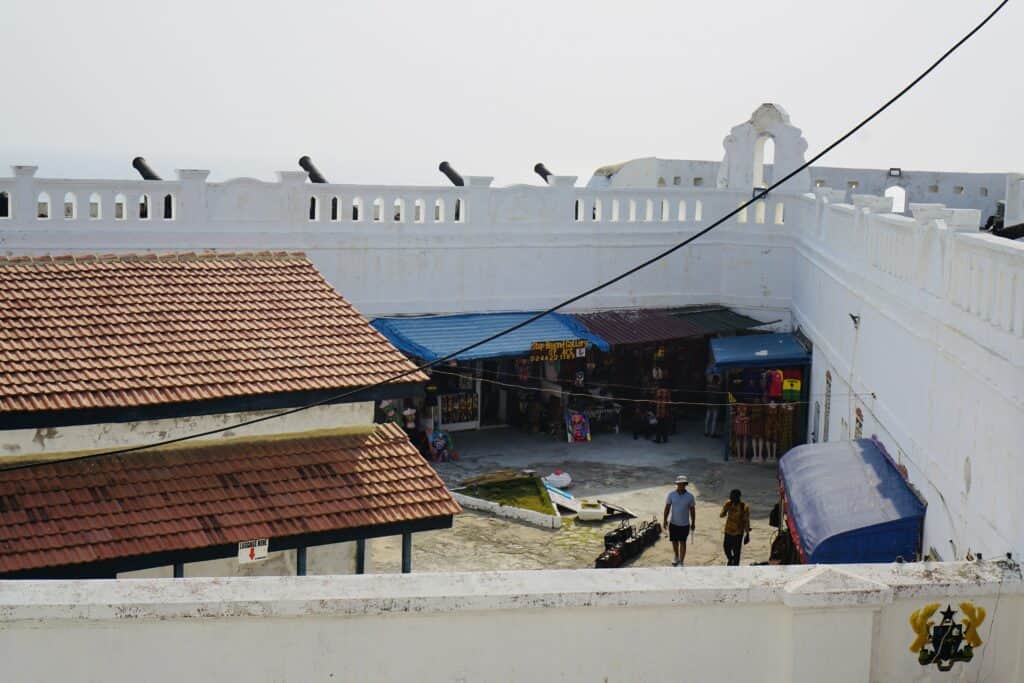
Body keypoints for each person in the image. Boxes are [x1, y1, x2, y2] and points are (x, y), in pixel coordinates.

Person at [663, 475, 696, 566]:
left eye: (683, 484)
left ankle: (681, 561)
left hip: (685, 524)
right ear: (677, 484)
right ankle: (676, 556)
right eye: (679, 484)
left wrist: (693, 523)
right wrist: (665, 520)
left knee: (683, 542)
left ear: (685, 485)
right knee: (674, 541)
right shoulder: (671, 495)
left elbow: (692, 511)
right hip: (673, 523)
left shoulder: (690, 496)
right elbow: (667, 508)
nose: (681, 486)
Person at [720, 489, 751, 566]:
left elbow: (746, 521)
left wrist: (747, 534)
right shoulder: (728, 503)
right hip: (728, 530)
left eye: (733, 497)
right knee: (726, 547)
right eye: (731, 496)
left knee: (737, 551)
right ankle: (730, 559)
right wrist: (725, 509)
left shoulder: (744, 507)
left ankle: (735, 567)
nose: (731, 498)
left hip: (738, 532)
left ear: (738, 497)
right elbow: (721, 515)